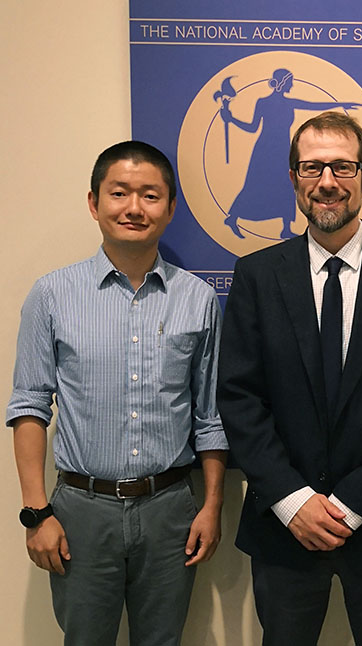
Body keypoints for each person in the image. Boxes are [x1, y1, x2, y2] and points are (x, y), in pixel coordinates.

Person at [218, 111, 362, 646]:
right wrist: (292, 500)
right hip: (285, 525)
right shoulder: (257, 275)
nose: (327, 182)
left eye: (343, 167)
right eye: (312, 168)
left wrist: (352, 506)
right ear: (295, 179)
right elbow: (239, 397)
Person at [7, 141, 228, 646]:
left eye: (150, 195)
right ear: (94, 202)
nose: (134, 207)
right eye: (119, 193)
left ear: (170, 208)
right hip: (81, 511)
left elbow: (210, 416)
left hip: (171, 509)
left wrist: (211, 505)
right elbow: (29, 406)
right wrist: (37, 512)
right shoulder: (52, 295)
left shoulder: (197, 299)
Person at [216, 69, 362, 240]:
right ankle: (233, 218)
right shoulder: (263, 102)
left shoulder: (289, 102)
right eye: (290, 81)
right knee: (254, 184)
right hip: (264, 150)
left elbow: (313, 105)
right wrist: (231, 119)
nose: (292, 85)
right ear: (282, 82)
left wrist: (340, 105)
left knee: (286, 187)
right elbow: (253, 127)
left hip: (283, 149)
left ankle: (285, 227)